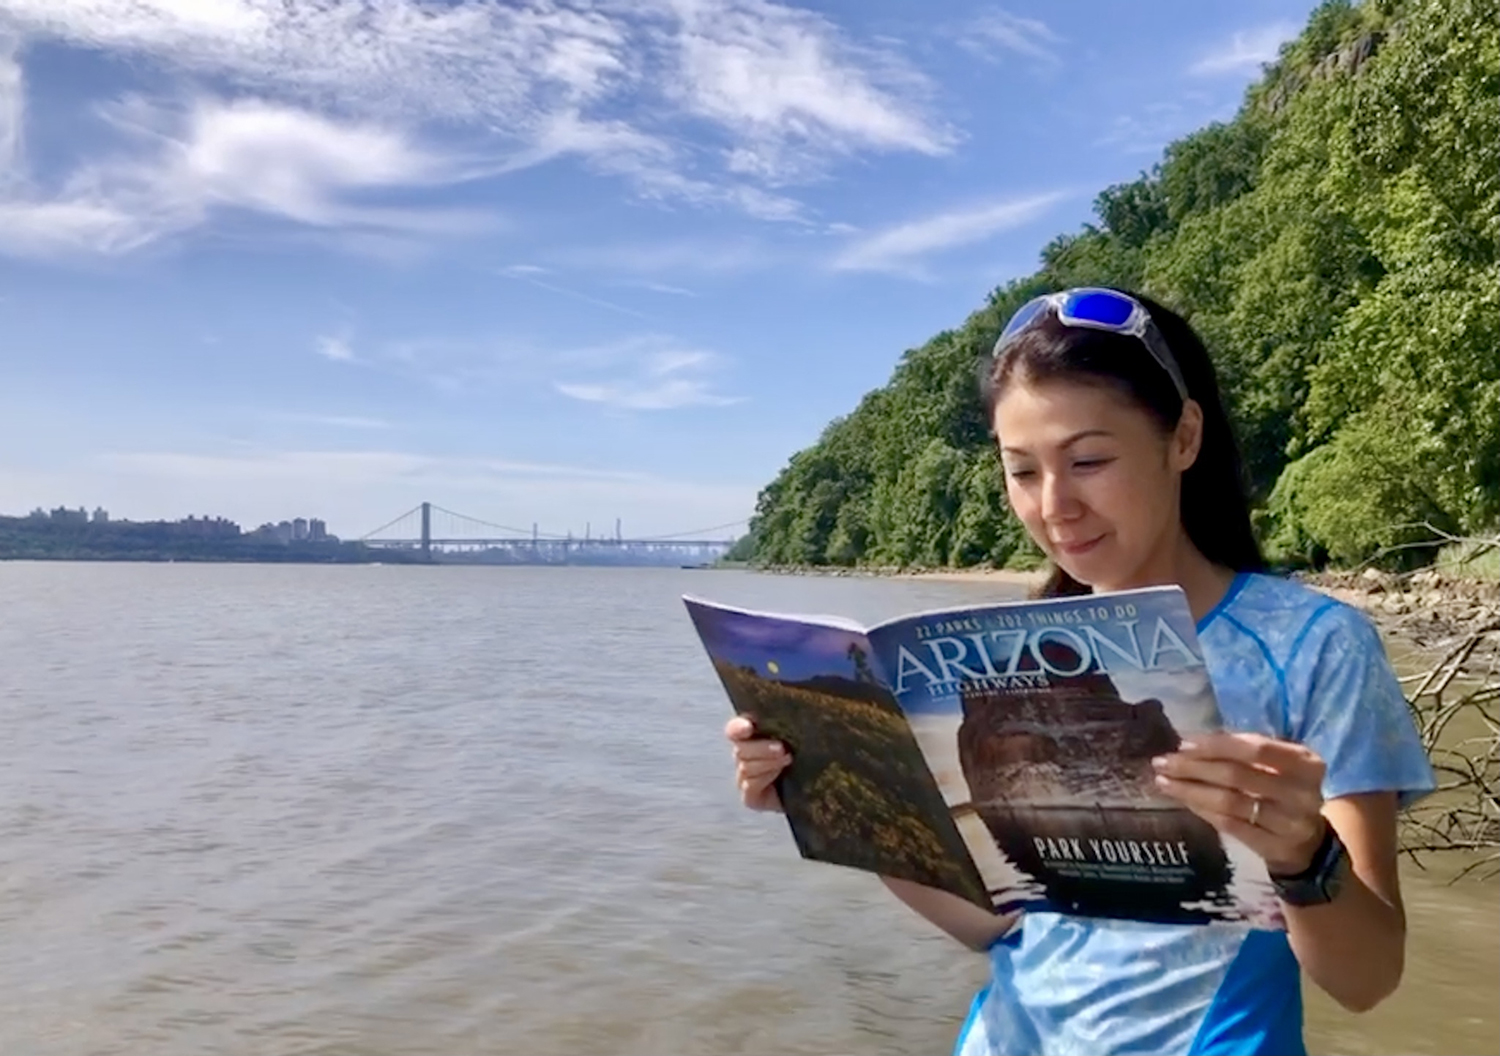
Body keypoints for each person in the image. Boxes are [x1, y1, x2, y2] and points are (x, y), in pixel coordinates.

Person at [725, 287, 1435, 1056]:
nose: (1055, 506)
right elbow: (995, 926)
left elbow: (1366, 981)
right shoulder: (1005, 657)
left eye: (1089, 460)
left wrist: (1304, 856)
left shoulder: (1315, 645)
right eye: (1022, 472)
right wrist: (834, 797)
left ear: (1184, 437)